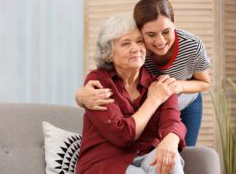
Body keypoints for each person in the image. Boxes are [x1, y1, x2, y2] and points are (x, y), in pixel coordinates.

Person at [76, 0, 210, 146]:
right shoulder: (138, 49)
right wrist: (80, 97)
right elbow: (108, 67)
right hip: (156, 98)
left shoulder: (192, 45)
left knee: (184, 148)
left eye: (166, 31)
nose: (160, 41)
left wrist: (177, 86)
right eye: (151, 34)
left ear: (174, 23)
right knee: (153, 146)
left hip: (185, 99)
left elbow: (204, 82)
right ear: (140, 31)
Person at [76, 14, 186, 174]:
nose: (136, 48)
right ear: (109, 54)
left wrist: (171, 140)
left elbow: (173, 121)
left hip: (146, 154)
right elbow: (122, 135)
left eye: (139, 41)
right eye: (126, 43)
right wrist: (153, 100)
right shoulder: (98, 82)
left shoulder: (160, 83)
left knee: (171, 161)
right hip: (104, 163)